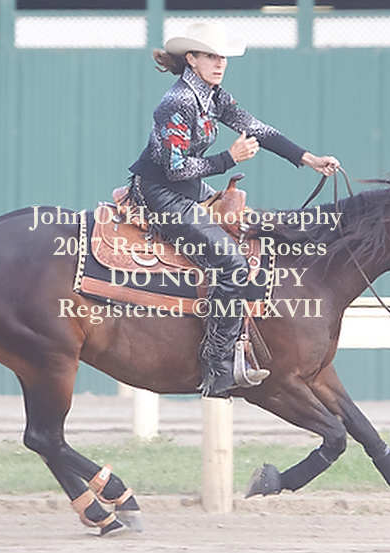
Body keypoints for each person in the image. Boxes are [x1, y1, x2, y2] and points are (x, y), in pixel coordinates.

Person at [128, 22, 340, 398]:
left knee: (247, 233)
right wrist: (229, 158)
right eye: (211, 56)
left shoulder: (213, 96)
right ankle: (218, 363)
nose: (219, 63)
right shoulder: (177, 103)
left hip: (188, 189)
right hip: (162, 194)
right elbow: (175, 168)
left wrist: (308, 158)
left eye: (222, 57)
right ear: (191, 59)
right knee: (231, 262)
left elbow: (256, 127)